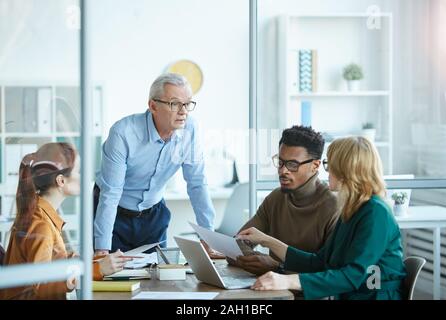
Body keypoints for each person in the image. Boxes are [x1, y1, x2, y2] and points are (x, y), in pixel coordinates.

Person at [237, 137, 407, 300]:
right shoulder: (352, 208)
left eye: (329, 164)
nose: (327, 171)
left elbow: (353, 274)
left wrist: (289, 280)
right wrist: (267, 241)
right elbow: (321, 261)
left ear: (346, 169)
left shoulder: (376, 212)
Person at [93, 73, 221, 258]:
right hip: (114, 213)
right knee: (114, 279)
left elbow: (197, 184)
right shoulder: (123, 133)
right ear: (153, 105)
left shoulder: (190, 129)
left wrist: (207, 237)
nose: (183, 111)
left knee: (157, 275)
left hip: (153, 214)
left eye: (187, 104)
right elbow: (111, 193)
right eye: (175, 104)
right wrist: (101, 249)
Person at [1, 143, 131, 300]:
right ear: (61, 181)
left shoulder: (40, 214)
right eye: (78, 171)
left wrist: (94, 262)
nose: (83, 177)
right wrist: (97, 270)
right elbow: (40, 286)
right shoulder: (41, 226)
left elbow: (52, 261)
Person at [229, 125, 339, 275]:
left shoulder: (334, 207)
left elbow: (331, 273)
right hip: (271, 291)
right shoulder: (276, 198)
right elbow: (236, 245)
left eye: (292, 165)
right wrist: (260, 262)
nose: (283, 171)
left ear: (315, 166)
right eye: (280, 162)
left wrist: (277, 268)